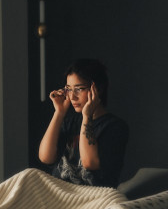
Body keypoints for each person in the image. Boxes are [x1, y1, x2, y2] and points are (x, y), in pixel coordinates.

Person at [39, 59, 129, 188]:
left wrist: (87, 116)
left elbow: (89, 163)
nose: (72, 96)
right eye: (69, 89)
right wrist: (58, 113)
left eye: (79, 89)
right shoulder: (70, 122)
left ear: (98, 89)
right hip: (61, 192)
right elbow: (45, 157)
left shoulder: (115, 127)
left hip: (92, 196)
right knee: (28, 175)